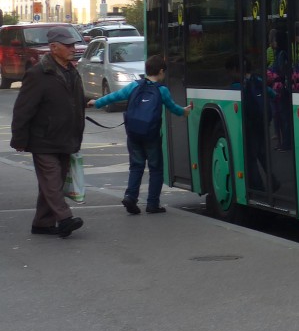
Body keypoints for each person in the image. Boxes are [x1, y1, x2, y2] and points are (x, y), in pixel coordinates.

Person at [89, 53, 192, 214]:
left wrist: (97, 102)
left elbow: (115, 96)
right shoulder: (162, 90)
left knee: (136, 167)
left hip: (134, 134)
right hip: (151, 135)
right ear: (160, 72)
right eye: (164, 71)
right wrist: (184, 112)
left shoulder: (134, 86)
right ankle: (152, 204)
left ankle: (130, 196)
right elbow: (173, 108)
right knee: (156, 168)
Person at [10, 26, 86, 237]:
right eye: (68, 45)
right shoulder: (37, 74)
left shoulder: (72, 71)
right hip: (43, 139)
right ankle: (65, 218)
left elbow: (75, 100)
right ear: (54, 48)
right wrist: (19, 138)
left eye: (73, 44)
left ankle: (42, 223)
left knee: (54, 182)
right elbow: (23, 109)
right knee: (52, 180)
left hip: (66, 137)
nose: (73, 48)